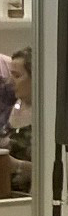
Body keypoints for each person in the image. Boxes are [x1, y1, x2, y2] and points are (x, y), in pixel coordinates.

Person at [0, 48, 32, 192]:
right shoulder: (7, 109)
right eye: (11, 75)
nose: (11, 82)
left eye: (17, 76)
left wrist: (18, 166)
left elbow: (50, 168)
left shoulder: (46, 119)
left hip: (30, 196)